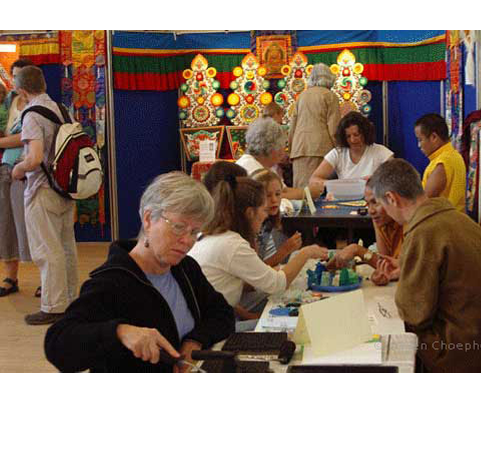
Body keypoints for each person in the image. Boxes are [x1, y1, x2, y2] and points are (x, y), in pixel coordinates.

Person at [44, 172, 235, 372]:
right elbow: (57, 344)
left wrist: (195, 341)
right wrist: (120, 332)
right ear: (148, 219)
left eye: (195, 232)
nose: (187, 240)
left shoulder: (185, 269)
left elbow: (222, 313)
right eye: (178, 227)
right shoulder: (111, 282)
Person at [369, 158, 481, 372]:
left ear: (391, 198)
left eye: (380, 203)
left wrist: (407, 282)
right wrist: (405, 268)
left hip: (460, 348)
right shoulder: (458, 219)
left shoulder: (423, 232)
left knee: (392, 335)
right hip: (473, 333)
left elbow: (414, 312)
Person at [189, 175, 328, 328]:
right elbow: (278, 284)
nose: (265, 214)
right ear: (250, 213)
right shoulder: (232, 244)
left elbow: (230, 290)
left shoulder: (213, 236)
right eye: (263, 209)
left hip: (213, 319)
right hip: (212, 328)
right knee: (292, 325)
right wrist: (306, 253)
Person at [11, 65, 77, 324]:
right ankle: (71, 299)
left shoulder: (31, 115)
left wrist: (19, 168)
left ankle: (53, 306)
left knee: (46, 250)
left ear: (21, 90)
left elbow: (35, 157)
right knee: (66, 247)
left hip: (42, 189)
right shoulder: (61, 109)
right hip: (64, 188)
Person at [0, 59, 35, 298]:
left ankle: (47, 279)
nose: (16, 80)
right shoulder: (8, 101)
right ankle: (11, 277)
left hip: (31, 169)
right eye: (14, 75)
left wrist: (2, 142)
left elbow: (27, 136)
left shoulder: (38, 104)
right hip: (6, 167)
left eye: (20, 75)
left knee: (34, 225)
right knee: (6, 224)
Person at [326, 179, 404, 285]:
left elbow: (403, 268)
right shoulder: (381, 219)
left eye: (375, 202)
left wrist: (358, 250)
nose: (371, 211)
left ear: (392, 199)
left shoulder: (409, 222)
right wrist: (381, 273)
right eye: (367, 204)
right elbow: (384, 264)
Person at [238, 116, 321, 200]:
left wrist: (308, 191)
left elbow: (284, 190)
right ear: (271, 148)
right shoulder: (250, 166)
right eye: (281, 146)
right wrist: (308, 193)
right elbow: (272, 197)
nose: (283, 151)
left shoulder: (266, 166)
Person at [288, 63, 341, 188]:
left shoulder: (302, 96)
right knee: (318, 190)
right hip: (321, 148)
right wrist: (340, 149)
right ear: (329, 78)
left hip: (299, 149)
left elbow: (292, 126)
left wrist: (291, 149)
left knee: (300, 190)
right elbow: (334, 127)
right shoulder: (330, 96)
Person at [310, 111, 393, 187]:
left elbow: (395, 178)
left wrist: (376, 180)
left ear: (365, 133)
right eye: (348, 136)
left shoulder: (381, 151)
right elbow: (313, 180)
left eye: (356, 135)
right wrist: (336, 184)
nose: (352, 140)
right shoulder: (337, 153)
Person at [414, 113, 466, 213]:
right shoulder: (454, 155)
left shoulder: (443, 162)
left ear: (434, 137)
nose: (419, 145)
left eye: (420, 140)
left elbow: (424, 202)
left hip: (444, 224)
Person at [251, 168, 302, 266]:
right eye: (268, 195)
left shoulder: (269, 219)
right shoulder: (253, 225)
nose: (274, 200)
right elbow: (258, 269)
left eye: (278, 194)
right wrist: (285, 250)